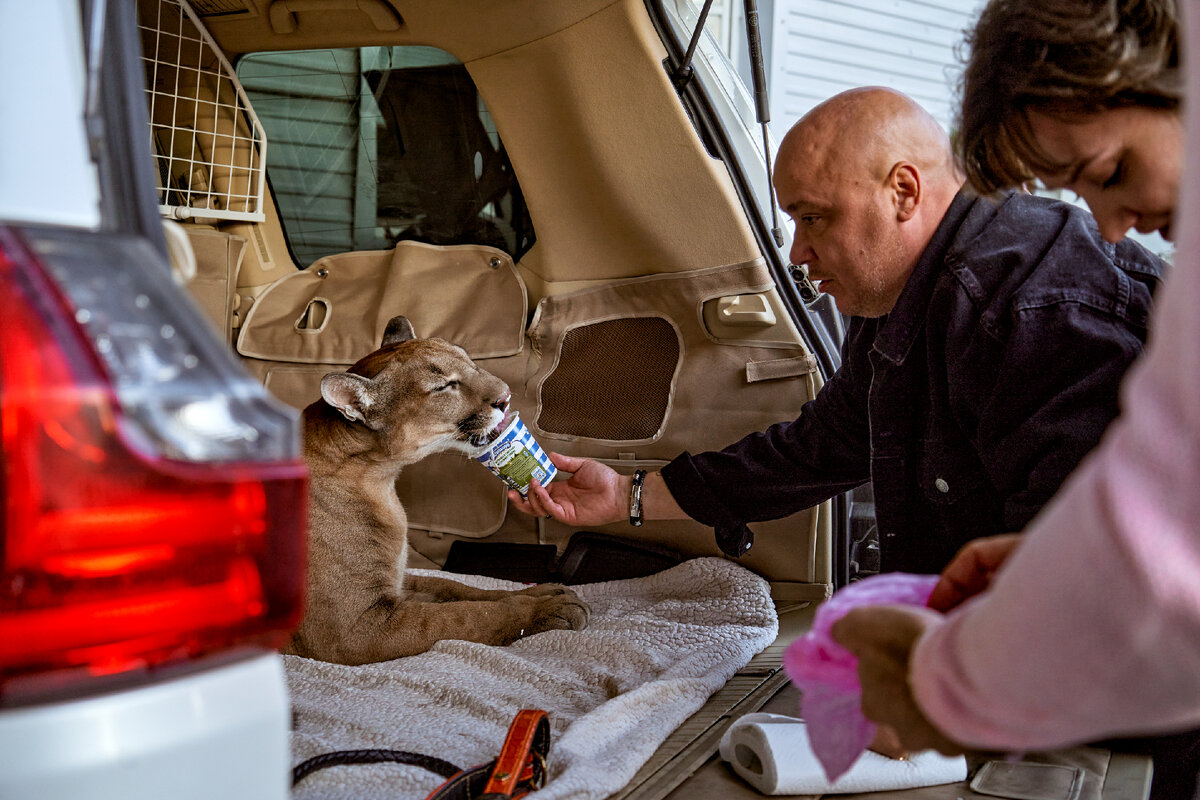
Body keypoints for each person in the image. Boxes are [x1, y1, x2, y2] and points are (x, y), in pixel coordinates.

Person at [510, 86, 1163, 583]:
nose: (798, 253)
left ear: (903, 193)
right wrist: (628, 495)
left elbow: (1076, 582)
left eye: (814, 218)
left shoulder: (1034, 312)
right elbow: (819, 449)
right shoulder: (902, 301)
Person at [831, 1, 1200, 798]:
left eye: (1108, 173)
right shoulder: (894, 311)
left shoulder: (1032, 300)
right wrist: (1056, 559)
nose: (1108, 225)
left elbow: (1159, 573)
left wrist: (939, 682)